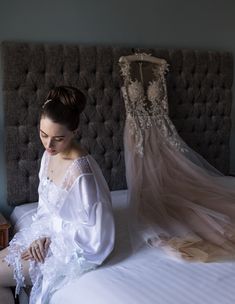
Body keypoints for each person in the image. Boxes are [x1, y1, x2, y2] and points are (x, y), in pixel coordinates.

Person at [0, 86, 115, 304]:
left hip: (68, 247)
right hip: (45, 235)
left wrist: (51, 239)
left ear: (75, 132)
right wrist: (40, 234)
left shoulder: (82, 173)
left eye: (58, 138)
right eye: (43, 135)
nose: (49, 145)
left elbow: (98, 236)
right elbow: (46, 208)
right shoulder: (49, 156)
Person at [119, 53, 235, 263]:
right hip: (137, 136)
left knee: (195, 193)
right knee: (157, 201)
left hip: (162, 134)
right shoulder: (125, 66)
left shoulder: (160, 68)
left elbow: (162, 107)